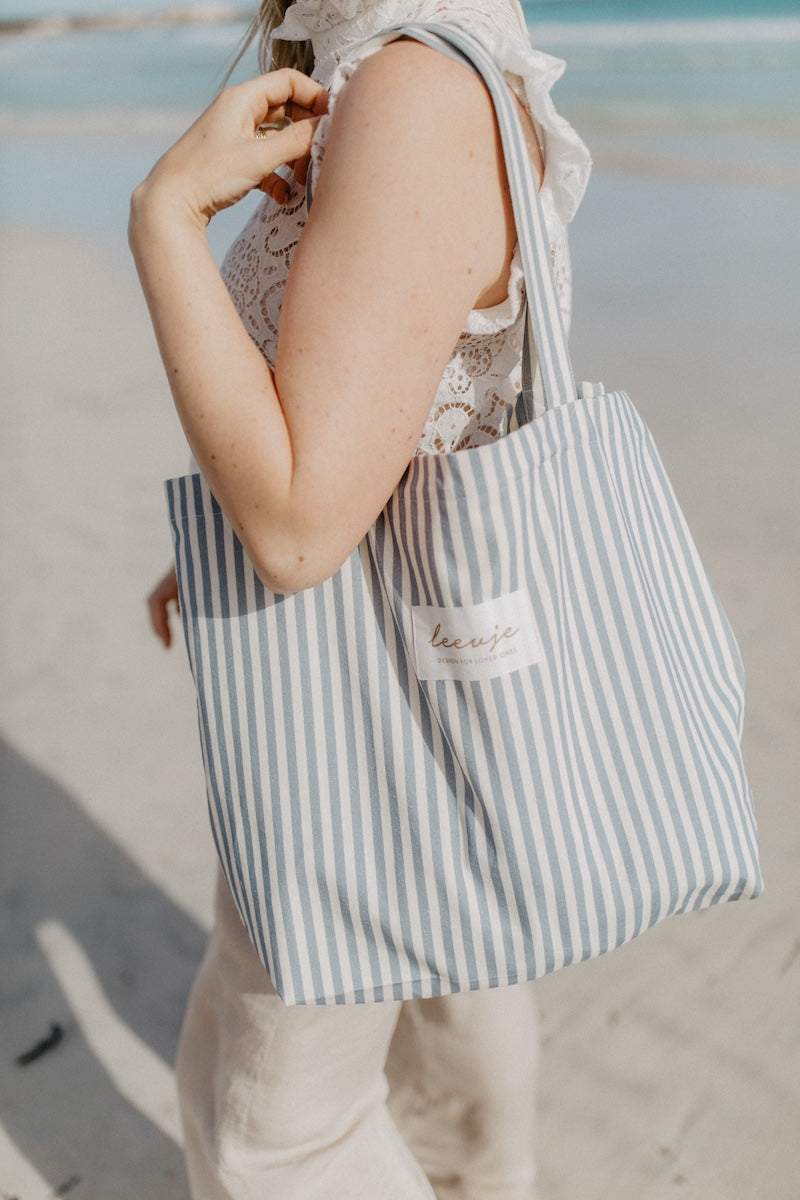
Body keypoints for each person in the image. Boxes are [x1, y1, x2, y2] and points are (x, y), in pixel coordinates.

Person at [133, 1, 590, 1196]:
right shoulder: (432, 54)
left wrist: (167, 221)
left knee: (276, 1135)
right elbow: (410, 395)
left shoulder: (405, 91)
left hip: (352, 693)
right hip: (445, 664)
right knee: (457, 993)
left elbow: (293, 536)